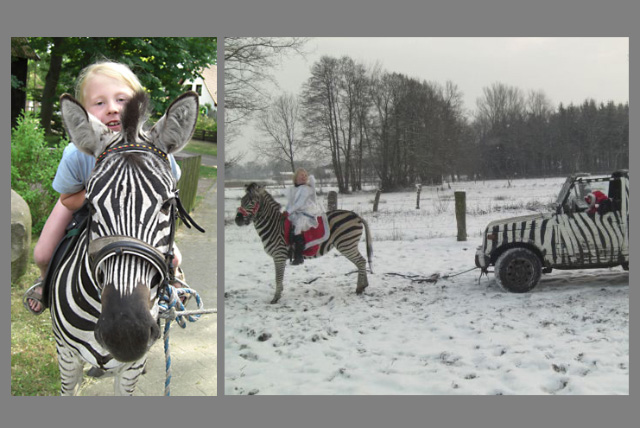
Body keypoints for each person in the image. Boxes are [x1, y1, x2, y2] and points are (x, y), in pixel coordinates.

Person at [24, 61, 184, 315]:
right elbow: (67, 198)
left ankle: (172, 283)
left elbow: (168, 187)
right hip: (82, 200)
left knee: (173, 257)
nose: (112, 109)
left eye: (122, 100)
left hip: (137, 210)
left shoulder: (155, 149)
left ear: (138, 105)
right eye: (99, 103)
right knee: (42, 252)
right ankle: (45, 284)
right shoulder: (76, 154)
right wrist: (102, 194)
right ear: (84, 112)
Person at [285, 168, 324, 265]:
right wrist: (285, 211)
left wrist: (288, 212)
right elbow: (290, 203)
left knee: (298, 227)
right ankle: (289, 248)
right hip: (296, 212)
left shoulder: (307, 189)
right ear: (296, 177)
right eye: (301, 175)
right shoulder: (293, 189)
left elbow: (300, 203)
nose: (304, 177)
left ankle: (299, 256)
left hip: (307, 212)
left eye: (305, 175)